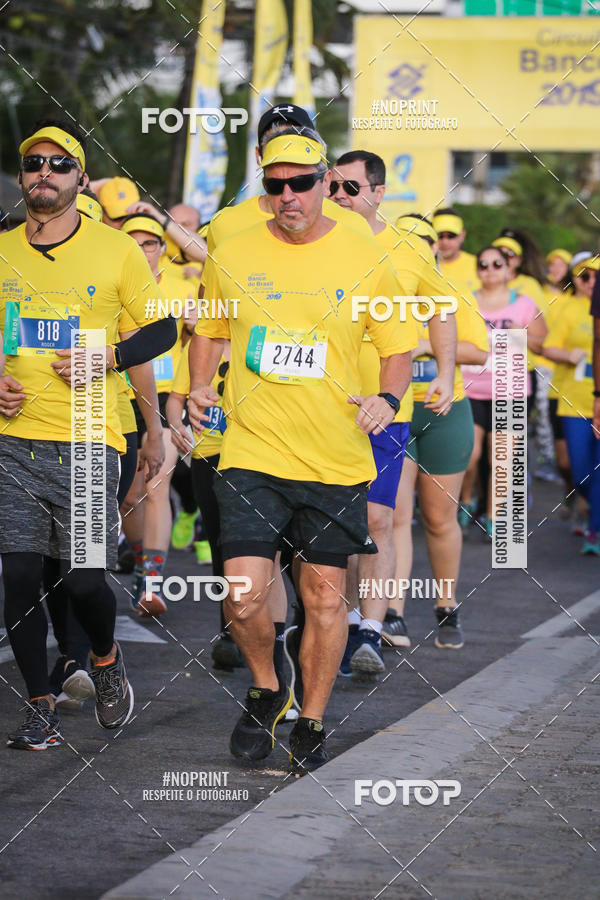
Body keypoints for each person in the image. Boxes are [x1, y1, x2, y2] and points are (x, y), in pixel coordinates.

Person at [188, 131, 416, 772]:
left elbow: (398, 347)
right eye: (274, 184)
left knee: (321, 599)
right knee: (242, 594)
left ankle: (312, 720)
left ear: (324, 182)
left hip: (336, 457)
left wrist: (389, 401)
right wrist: (200, 383)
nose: (288, 196)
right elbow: (210, 327)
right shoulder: (231, 249)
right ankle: (266, 684)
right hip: (252, 450)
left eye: (301, 183)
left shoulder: (366, 255)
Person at [0, 119, 176, 749]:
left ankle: (103, 659)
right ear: (22, 177)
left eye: (58, 164)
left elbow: (162, 332)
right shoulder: (2, 245)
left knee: (81, 578)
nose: (43, 174)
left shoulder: (116, 249)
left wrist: (110, 359)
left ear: (79, 178)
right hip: (13, 436)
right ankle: (40, 703)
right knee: (18, 576)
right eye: (32, 164)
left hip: (89, 433)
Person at [329, 151, 458, 669]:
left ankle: (370, 630)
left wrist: (446, 374)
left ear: (379, 193)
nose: (339, 197)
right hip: (319, 408)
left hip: (386, 408)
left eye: (350, 188)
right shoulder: (311, 243)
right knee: (320, 525)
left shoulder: (406, 250)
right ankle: (321, 622)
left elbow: (441, 309)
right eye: (333, 187)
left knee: (378, 519)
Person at [118, 213, 194, 616]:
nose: (143, 250)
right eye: (134, 242)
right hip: (122, 399)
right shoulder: (115, 286)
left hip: (165, 400)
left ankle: (151, 581)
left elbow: (204, 344)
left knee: (156, 483)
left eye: (150, 243)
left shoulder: (185, 289)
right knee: (128, 495)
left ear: (163, 249)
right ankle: (137, 558)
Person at [459, 246, 547, 535]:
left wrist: (518, 332)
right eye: (483, 264)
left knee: (500, 458)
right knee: (469, 455)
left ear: (508, 269)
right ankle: (468, 499)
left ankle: (494, 517)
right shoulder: (467, 302)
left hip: (510, 389)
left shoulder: (523, 303)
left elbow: (539, 343)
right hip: (471, 388)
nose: (489, 270)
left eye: (497, 264)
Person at [544, 256, 600, 554]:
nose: (591, 282)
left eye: (596, 276)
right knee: (579, 472)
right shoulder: (568, 308)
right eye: (584, 276)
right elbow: (549, 346)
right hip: (574, 402)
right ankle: (590, 509)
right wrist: (567, 356)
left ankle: (595, 530)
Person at [432, 208, 479, 292]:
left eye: (451, 235)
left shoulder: (480, 266)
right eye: (439, 235)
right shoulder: (424, 266)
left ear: (462, 235)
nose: (445, 242)